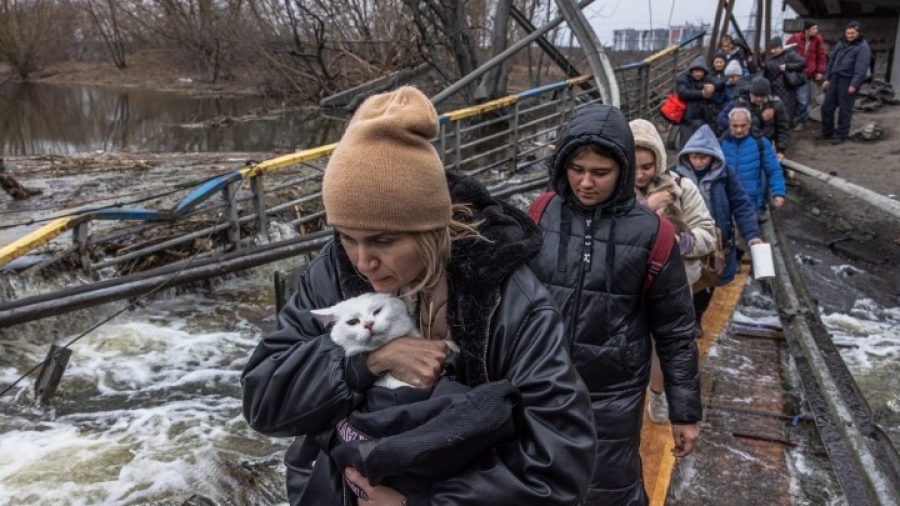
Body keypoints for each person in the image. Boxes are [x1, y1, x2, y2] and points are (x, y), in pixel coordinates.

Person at [241, 86, 597, 506]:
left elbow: (561, 463)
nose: (362, 261)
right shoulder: (331, 271)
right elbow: (264, 401)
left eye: (383, 240)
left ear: (430, 230)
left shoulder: (510, 298)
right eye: (347, 236)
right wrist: (367, 362)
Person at [528, 104, 702, 506]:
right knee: (538, 483)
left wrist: (684, 412)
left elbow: (675, 330)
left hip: (612, 392)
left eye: (600, 173)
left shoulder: (652, 234)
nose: (585, 182)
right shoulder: (541, 213)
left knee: (607, 488)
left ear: (622, 169)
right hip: (540, 382)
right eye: (576, 169)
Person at [630, 118, 717, 425]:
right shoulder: (613, 192)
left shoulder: (682, 188)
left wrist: (680, 243)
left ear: (659, 161)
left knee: (661, 343)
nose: (640, 175)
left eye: (648, 166)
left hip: (674, 284)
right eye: (634, 166)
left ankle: (656, 392)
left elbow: (708, 232)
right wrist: (647, 208)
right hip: (628, 285)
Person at [670, 124, 763, 336]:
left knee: (708, 280)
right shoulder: (675, 176)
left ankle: (696, 318)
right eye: (694, 157)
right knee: (682, 278)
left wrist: (752, 236)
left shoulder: (725, 176)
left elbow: (741, 205)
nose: (699, 162)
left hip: (715, 239)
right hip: (684, 236)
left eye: (703, 157)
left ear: (712, 157)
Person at [720, 107, 786, 219]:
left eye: (743, 125)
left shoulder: (761, 143)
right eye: (735, 126)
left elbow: (773, 169)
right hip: (727, 202)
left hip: (751, 203)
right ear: (730, 125)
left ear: (749, 124)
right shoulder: (721, 144)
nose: (739, 130)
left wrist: (778, 193)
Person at [821, 21, 872, 145]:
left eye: (852, 33)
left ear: (858, 32)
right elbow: (832, 61)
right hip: (835, 78)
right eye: (848, 33)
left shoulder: (863, 47)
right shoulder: (841, 43)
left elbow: (861, 68)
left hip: (848, 80)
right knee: (826, 107)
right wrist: (827, 78)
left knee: (845, 109)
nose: (849, 35)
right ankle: (827, 132)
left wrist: (854, 84)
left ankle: (841, 135)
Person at [718, 77, 791, 161]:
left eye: (762, 96)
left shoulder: (776, 103)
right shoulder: (742, 102)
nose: (759, 99)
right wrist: (761, 119)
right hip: (746, 143)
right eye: (756, 96)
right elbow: (741, 126)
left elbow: (783, 127)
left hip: (768, 144)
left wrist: (780, 150)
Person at [786, 19, 827, 130]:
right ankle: (791, 120)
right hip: (793, 72)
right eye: (814, 29)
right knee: (791, 97)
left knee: (803, 99)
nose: (816, 31)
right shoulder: (794, 38)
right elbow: (786, 52)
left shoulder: (818, 40)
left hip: (806, 74)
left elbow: (821, 56)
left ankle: (802, 121)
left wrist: (819, 71)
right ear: (807, 30)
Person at [675, 56, 721, 149]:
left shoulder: (707, 78)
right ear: (691, 71)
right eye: (696, 71)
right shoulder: (683, 79)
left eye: (701, 71)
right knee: (686, 146)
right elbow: (682, 92)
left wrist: (713, 86)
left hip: (705, 118)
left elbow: (720, 83)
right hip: (687, 120)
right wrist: (701, 94)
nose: (698, 74)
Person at [763, 36, 807, 125]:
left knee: (786, 115)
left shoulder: (790, 54)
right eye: (771, 49)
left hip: (787, 90)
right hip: (774, 91)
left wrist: (787, 67)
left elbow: (802, 63)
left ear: (781, 47)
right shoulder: (770, 59)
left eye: (775, 48)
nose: (773, 51)